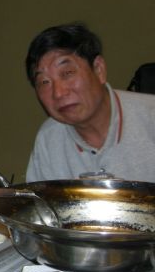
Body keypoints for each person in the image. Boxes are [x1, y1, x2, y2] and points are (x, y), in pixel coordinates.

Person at [25, 23, 155, 182]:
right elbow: (40, 198)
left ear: (99, 69)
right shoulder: (48, 139)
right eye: (44, 82)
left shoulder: (150, 118)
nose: (58, 93)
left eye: (67, 73)